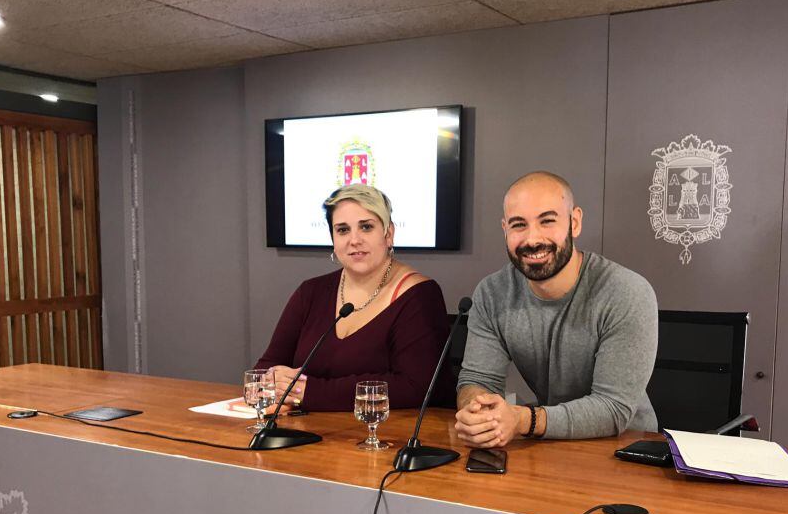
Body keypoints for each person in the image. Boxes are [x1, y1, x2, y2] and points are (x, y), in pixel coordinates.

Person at [455, 171, 658, 448]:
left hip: (624, 447)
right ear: (505, 229)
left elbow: (612, 409)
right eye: (518, 225)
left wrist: (522, 420)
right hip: (547, 445)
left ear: (574, 223)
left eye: (547, 221)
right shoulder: (492, 293)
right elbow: (477, 379)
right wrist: (477, 412)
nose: (532, 239)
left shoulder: (626, 291)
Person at [256, 184, 451, 411]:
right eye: (342, 230)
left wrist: (305, 392)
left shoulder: (419, 295)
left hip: (388, 437)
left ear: (389, 234)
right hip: (308, 433)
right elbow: (267, 366)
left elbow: (416, 387)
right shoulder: (310, 292)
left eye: (366, 227)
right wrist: (273, 385)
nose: (354, 239)